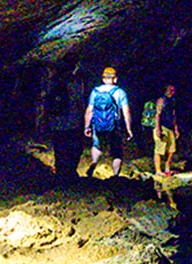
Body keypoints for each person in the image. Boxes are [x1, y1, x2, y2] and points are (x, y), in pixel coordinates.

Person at [40, 59, 86, 187]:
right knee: (74, 149)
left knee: (60, 149)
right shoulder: (76, 82)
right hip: (72, 122)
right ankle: (70, 175)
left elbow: (45, 100)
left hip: (56, 122)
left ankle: (61, 175)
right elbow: (79, 102)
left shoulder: (51, 81)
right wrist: (84, 119)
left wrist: (45, 119)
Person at [84, 66, 132, 176]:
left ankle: (94, 162)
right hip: (114, 126)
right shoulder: (120, 92)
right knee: (117, 151)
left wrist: (87, 126)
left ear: (103, 79)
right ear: (115, 79)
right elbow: (126, 112)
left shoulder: (95, 91)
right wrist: (128, 128)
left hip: (98, 124)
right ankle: (115, 175)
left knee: (96, 145)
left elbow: (89, 110)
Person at [153, 83, 180, 183]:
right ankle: (158, 170)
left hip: (170, 127)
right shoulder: (161, 100)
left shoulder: (172, 100)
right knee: (159, 149)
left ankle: (167, 168)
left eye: (173, 90)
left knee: (171, 149)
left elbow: (173, 115)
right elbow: (157, 114)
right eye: (170, 90)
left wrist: (176, 128)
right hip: (162, 126)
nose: (172, 92)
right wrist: (157, 128)